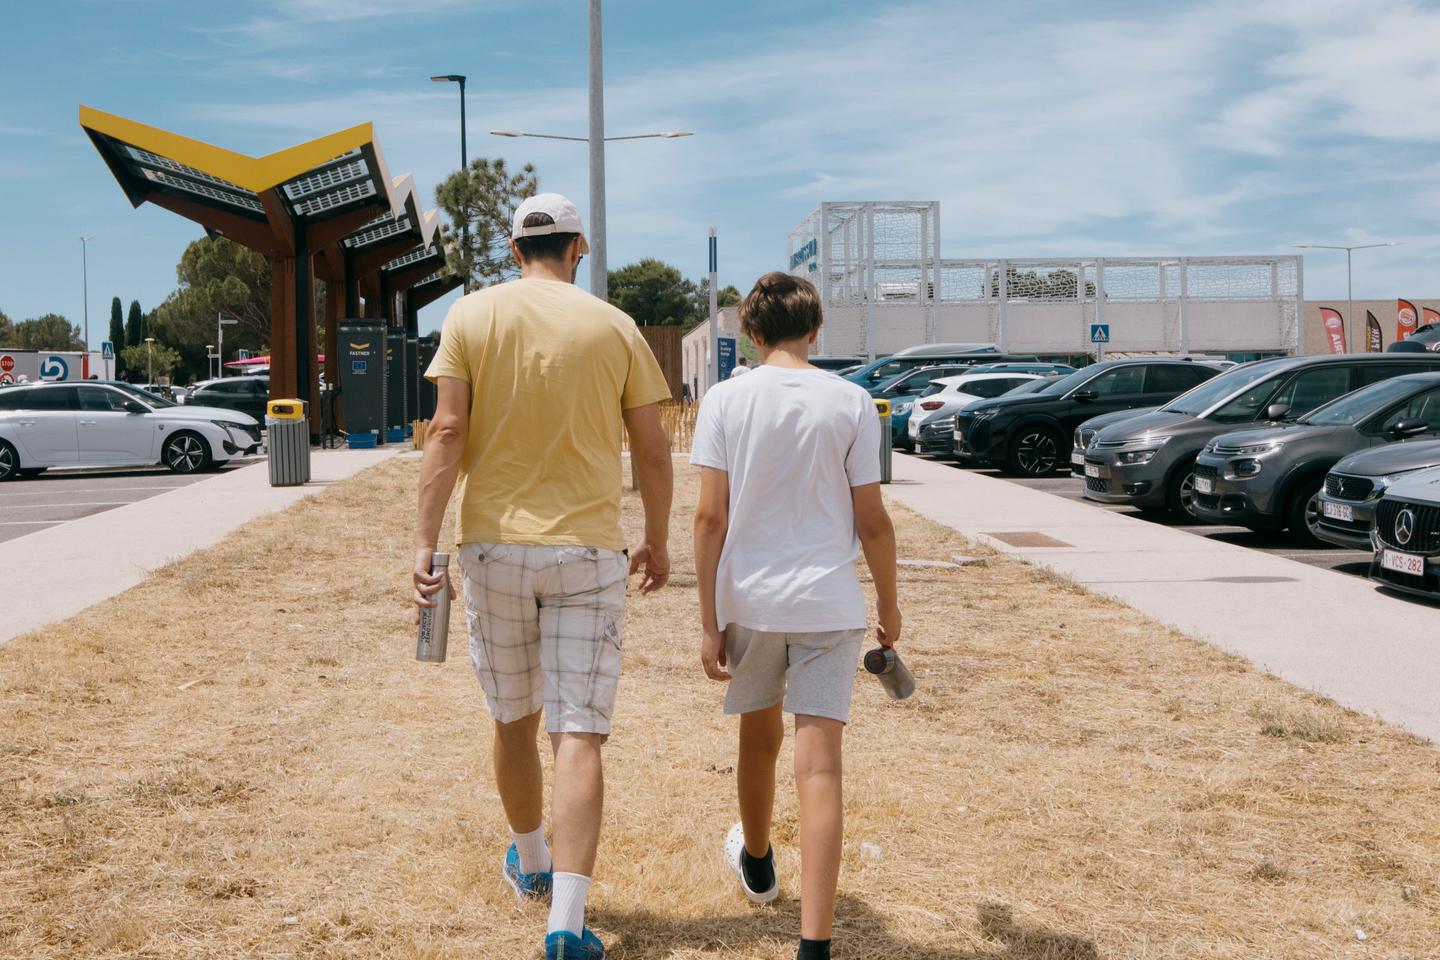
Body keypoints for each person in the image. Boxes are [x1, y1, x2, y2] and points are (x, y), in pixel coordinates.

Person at [412, 192, 674, 960]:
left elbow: (448, 430)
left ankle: (529, 860)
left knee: (512, 717)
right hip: (587, 552)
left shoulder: (470, 316)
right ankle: (566, 920)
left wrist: (424, 540)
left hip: (492, 545)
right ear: (578, 247)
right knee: (578, 732)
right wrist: (656, 540)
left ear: (512, 248)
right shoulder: (615, 325)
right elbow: (653, 450)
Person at [690, 272, 901, 960]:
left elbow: (709, 517)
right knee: (822, 769)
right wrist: (889, 603)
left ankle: (757, 863)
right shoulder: (851, 401)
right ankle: (815, 946)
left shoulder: (725, 400)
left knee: (759, 739)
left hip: (751, 599)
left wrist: (707, 621)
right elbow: (872, 520)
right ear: (815, 329)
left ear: (751, 332)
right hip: (829, 603)